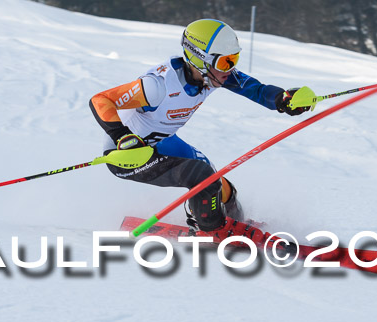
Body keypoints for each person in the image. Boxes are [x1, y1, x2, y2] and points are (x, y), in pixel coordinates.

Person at [90, 18, 311, 244]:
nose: (231, 68)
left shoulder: (213, 76)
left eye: (234, 59)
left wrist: (283, 99)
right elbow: (101, 100)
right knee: (200, 175)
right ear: (200, 59)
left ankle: (236, 224)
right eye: (226, 62)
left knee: (221, 187)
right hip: (128, 156)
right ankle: (211, 228)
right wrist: (122, 136)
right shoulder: (157, 86)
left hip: (162, 143)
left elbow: (257, 90)